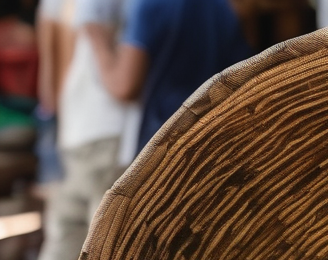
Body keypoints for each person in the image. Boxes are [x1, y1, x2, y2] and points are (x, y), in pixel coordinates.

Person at [23, 0, 133, 260]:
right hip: (113, 130)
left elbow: (49, 89)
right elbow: (127, 79)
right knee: (109, 258)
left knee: (64, 251)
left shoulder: (52, 6)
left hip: (75, 131)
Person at [85, 0, 252, 161]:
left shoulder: (149, 4)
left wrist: (96, 37)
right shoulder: (230, 7)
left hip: (163, 146)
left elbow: (124, 87)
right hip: (216, 139)